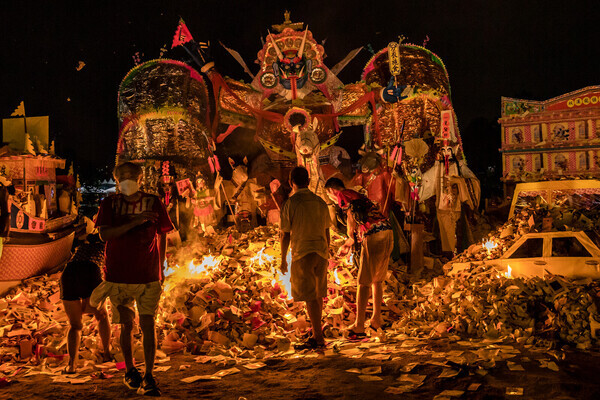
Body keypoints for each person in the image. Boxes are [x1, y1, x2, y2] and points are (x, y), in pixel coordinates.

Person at [90, 162, 173, 396]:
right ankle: (130, 370)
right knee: (127, 325)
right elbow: (105, 234)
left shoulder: (154, 202)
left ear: (140, 177)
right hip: (118, 276)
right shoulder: (109, 204)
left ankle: (149, 375)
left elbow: (162, 235)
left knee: (148, 325)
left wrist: (161, 266)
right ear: (116, 179)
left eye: (132, 175)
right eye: (123, 175)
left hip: (148, 275)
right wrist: (136, 221)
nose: (128, 178)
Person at [325, 177, 393, 337]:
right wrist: (351, 244)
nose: (332, 199)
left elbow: (350, 215)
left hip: (373, 234)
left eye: (329, 196)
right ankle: (376, 320)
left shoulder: (344, 194)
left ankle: (359, 325)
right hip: (387, 232)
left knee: (363, 283)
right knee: (377, 279)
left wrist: (349, 238)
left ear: (331, 191)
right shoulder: (358, 195)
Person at [280, 167, 331, 350]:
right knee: (317, 294)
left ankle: (318, 339)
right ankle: (317, 333)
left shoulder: (290, 204)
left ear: (291, 182)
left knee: (310, 296)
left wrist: (283, 259)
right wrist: (327, 251)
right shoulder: (320, 202)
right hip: (321, 252)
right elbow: (327, 231)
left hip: (303, 252)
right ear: (308, 181)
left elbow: (285, 235)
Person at [59, 229, 112, 373]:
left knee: (75, 325)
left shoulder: (85, 240)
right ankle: (106, 354)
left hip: (69, 272)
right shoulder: (111, 240)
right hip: (90, 269)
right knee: (102, 315)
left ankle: (71, 365)